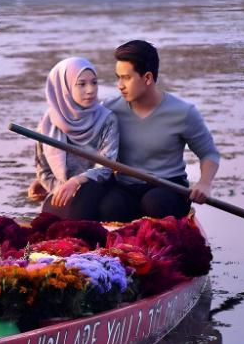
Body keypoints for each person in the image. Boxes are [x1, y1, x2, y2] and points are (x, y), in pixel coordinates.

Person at [98, 40, 220, 222]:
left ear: (147, 78)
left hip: (168, 189)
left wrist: (204, 183)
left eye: (126, 78)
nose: (119, 85)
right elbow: (86, 146)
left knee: (155, 202)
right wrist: (48, 177)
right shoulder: (109, 110)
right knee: (108, 208)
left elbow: (209, 153)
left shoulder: (183, 112)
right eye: (118, 77)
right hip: (126, 187)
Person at [31, 57, 119, 220]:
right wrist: (62, 188)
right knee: (51, 221)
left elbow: (106, 166)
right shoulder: (48, 122)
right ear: (64, 88)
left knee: (86, 210)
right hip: (63, 190)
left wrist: (77, 181)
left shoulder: (106, 119)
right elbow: (43, 170)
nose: (91, 90)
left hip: (97, 187)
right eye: (82, 84)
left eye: (94, 82)